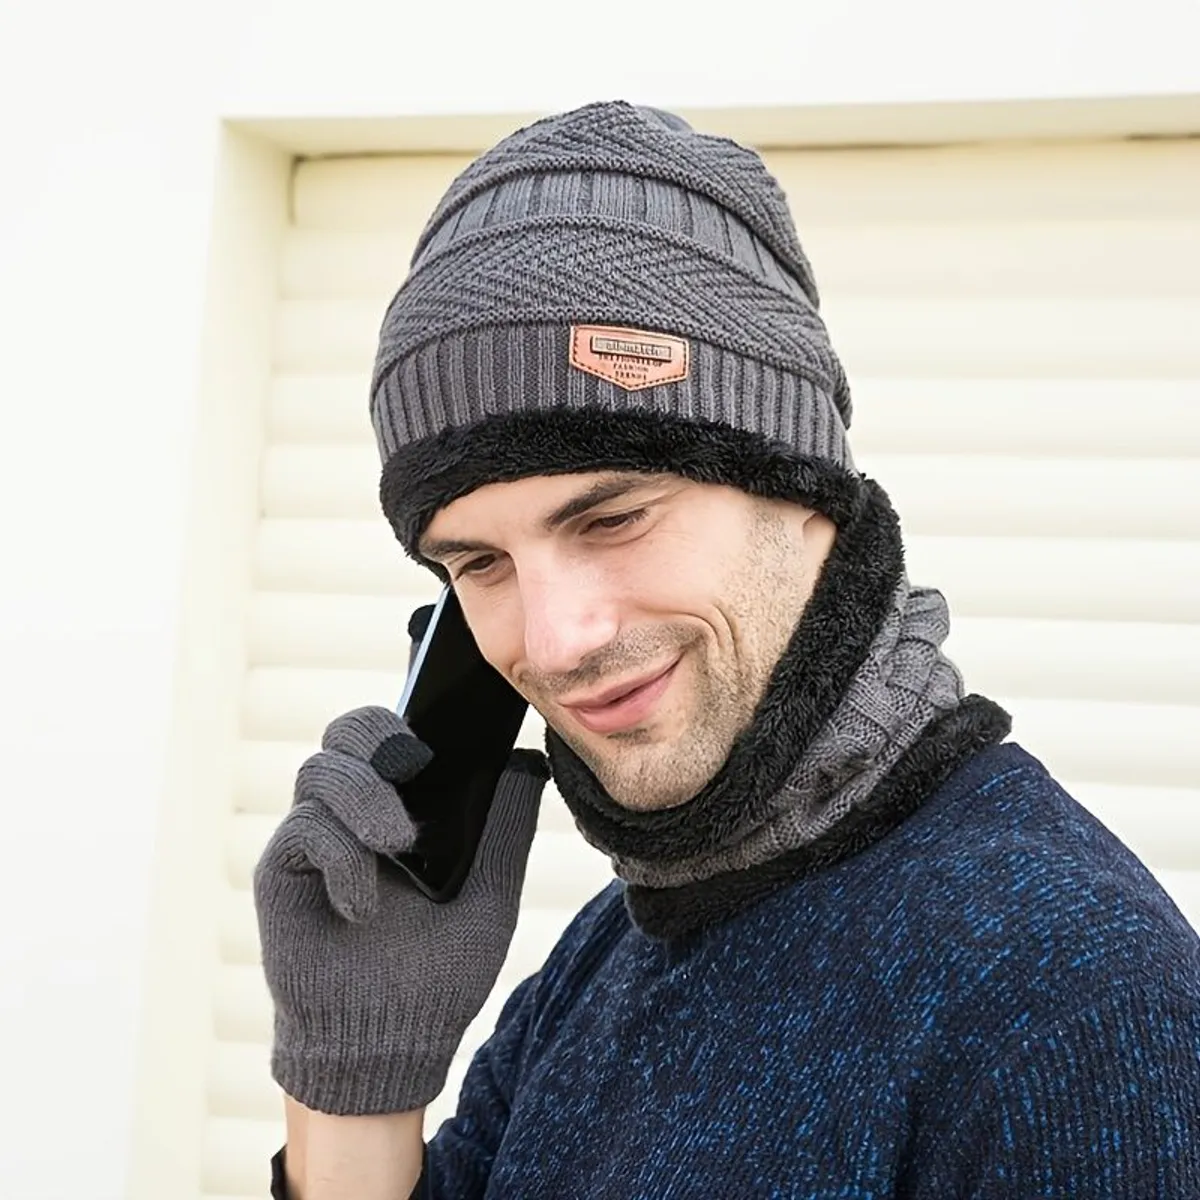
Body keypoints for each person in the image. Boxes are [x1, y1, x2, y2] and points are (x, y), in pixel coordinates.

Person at [252, 101, 1200, 1199]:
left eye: (611, 520)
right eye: (478, 564)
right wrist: (355, 1078)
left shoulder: (1073, 1002)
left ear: (805, 498)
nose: (558, 642)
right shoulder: (609, 956)